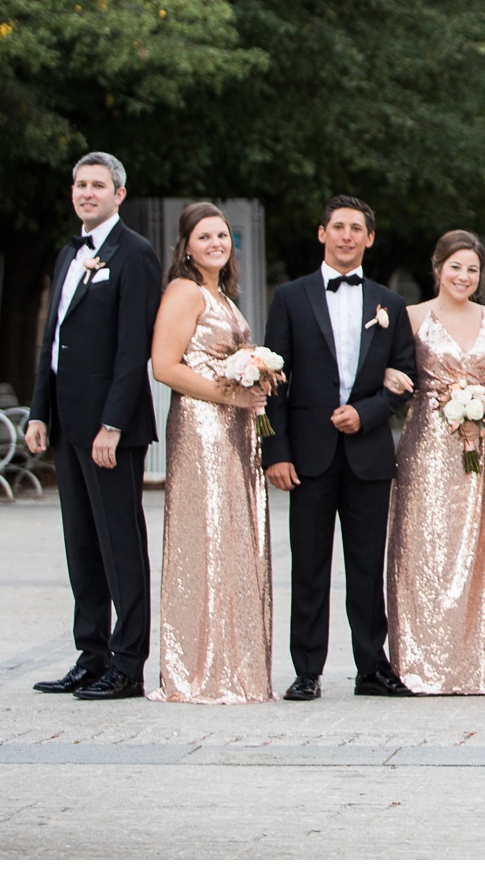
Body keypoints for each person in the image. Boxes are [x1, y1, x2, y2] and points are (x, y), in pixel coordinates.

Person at [261, 195, 418, 702]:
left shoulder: (390, 305)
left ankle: (371, 666)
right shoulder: (290, 297)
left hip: (368, 454)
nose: (347, 236)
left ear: (369, 238)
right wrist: (275, 452)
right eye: (339, 227)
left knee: (368, 567)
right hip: (306, 455)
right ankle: (307, 669)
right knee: (307, 567)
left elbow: (405, 377)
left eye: (357, 229)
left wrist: (367, 413)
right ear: (322, 233)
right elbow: (273, 382)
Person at [25, 152, 163, 701]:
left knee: (119, 545)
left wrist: (112, 423)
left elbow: (133, 351)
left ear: (119, 194)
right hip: (66, 425)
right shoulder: (68, 253)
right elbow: (51, 341)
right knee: (80, 544)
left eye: (98, 185)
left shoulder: (136, 255)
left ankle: (128, 664)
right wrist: (39, 411)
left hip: (111, 430)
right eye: (80, 184)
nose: (87, 192)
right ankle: (91, 653)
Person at [383, 231, 485, 695]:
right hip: (426, 447)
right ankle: (421, 663)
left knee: (481, 550)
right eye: (455, 266)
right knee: (423, 549)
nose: (463, 276)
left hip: (482, 445)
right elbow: (389, 368)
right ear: (438, 267)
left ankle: (481, 665)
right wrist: (387, 372)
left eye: (473, 269)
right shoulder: (411, 317)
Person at [151, 202, 274, 704]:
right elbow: (165, 365)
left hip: (234, 429)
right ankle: (201, 669)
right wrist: (231, 394)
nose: (216, 244)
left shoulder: (220, 294)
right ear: (186, 246)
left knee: (231, 539)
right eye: (204, 237)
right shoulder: (184, 291)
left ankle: (232, 663)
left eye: (222, 236)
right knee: (207, 537)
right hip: (202, 429)